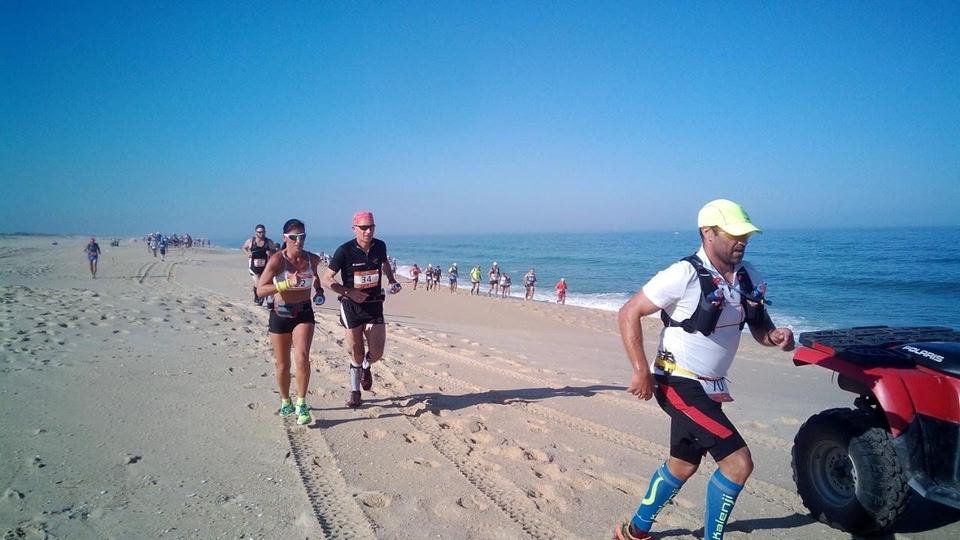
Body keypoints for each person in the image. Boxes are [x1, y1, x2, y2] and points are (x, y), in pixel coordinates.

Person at [613, 199, 795, 540]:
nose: (743, 241)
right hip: (678, 383)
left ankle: (633, 531)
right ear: (708, 233)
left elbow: (760, 328)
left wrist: (775, 337)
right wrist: (641, 371)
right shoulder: (683, 274)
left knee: (683, 464)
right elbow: (628, 312)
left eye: (746, 235)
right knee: (738, 463)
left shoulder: (748, 275)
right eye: (734, 234)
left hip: (712, 387)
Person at [321, 211, 401, 409]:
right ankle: (355, 392)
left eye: (371, 227)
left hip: (374, 304)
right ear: (354, 229)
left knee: (377, 352)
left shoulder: (379, 246)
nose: (368, 231)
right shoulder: (344, 251)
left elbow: (384, 263)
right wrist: (348, 292)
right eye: (363, 227)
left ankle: (367, 365)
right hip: (351, 307)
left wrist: (392, 280)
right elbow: (327, 279)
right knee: (356, 350)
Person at [256, 219, 324, 426]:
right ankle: (286, 400)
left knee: (302, 358)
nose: (298, 241)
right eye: (293, 237)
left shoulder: (312, 259)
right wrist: (286, 284)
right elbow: (261, 290)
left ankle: (301, 403)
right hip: (280, 314)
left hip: (304, 313)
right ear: (285, 238)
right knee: (283, 364)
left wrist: (319, 291)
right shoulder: (277, 260)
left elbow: (315, 277)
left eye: (302, 236)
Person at [243, 225, 280, 309]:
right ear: (255, 233)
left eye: (263, 232)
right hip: (253, 267)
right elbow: (244, 248)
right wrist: (248, 254)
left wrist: (270, 253)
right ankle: (258, 299)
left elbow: (274, 251)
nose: (261, 234)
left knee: (266, 283)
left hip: (265, 267)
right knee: (258, 283)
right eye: (259, 232)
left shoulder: (268, 242)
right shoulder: (250, 241)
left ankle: (267, 300)